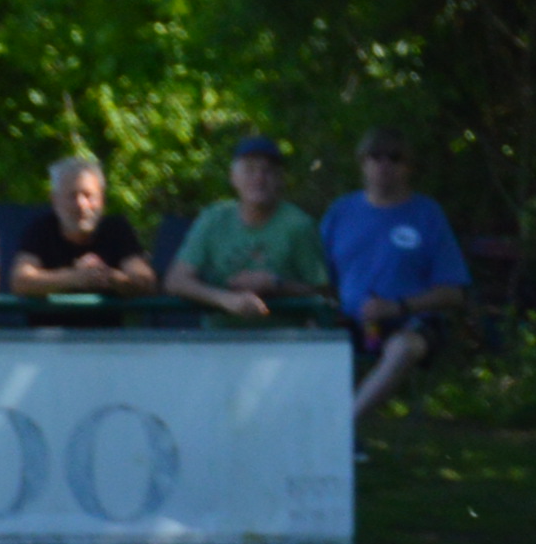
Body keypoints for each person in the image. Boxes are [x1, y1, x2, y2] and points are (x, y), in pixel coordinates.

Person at [321, 128, 471, 416]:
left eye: (394, 158)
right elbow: (317, 278)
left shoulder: (427, 214)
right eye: (375, 156)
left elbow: (454, 292)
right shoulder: (341, 212)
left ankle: (344, 424)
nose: (384, 164)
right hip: (349, 322)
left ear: (408, 166)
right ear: (362, 163)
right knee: (307, 339)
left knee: (404, 347)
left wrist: (396, 307)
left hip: (410, 322)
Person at [164, 136, 332, 317]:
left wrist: (276, 284)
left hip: (283, 332)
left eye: (268, 171)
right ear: (233, 177)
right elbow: (176, 280)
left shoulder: (298, 225)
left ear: (280, 179)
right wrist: (226, 300)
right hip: (220, 331)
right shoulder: (214, 218)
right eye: (249, 170)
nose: (259, 178)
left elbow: (325, 293)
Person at [9, 153, 155, 298]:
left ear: (102, 199)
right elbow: (21, 281)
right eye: (72, 196)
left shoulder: (117, 229)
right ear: (54, 200)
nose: (81, 205)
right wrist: (74, 278)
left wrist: (108, 276)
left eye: (88, 195)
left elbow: (145, 281)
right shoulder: (41, 229)